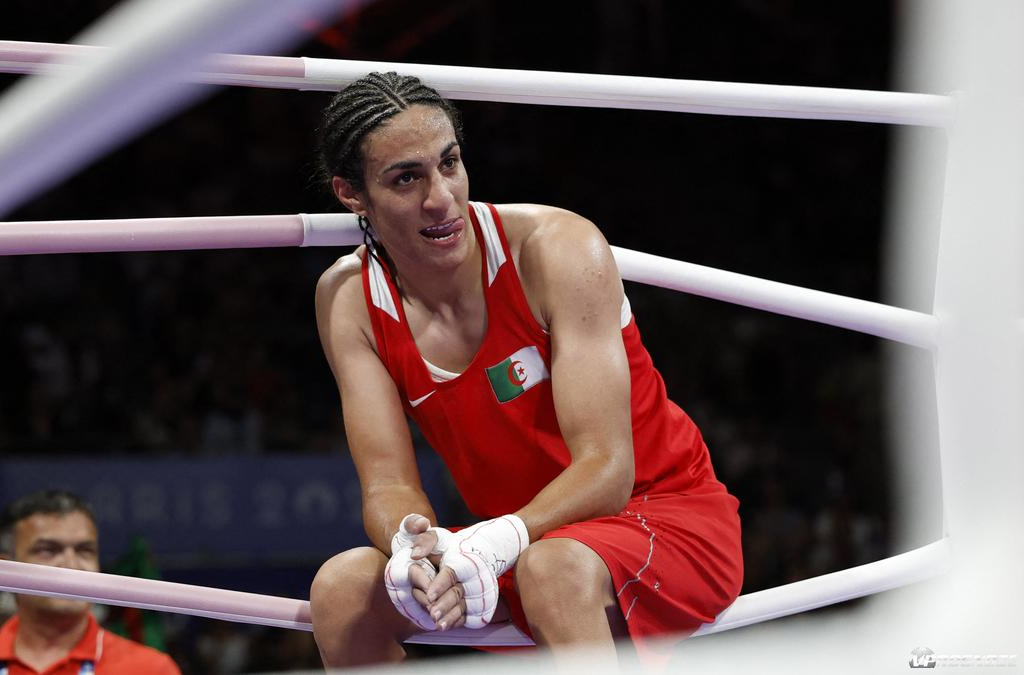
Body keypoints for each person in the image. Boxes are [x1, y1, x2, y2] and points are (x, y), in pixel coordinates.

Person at [309, 72, 743, 668]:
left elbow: (608, 468)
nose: (441, 198)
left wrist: (502, 539)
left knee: (552, 569)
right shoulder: (349, 300)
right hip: (518, 540)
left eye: (449, 163)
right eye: (406, 178)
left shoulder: (555, 249)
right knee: (341, 591)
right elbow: (388, 485)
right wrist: (409, 545)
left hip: (657, 517)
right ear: (352, 194)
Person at [0, 490, 180, 675]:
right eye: (48, 550)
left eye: (84, 550)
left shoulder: (150, 669)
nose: (71, 565)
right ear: (6, 569)